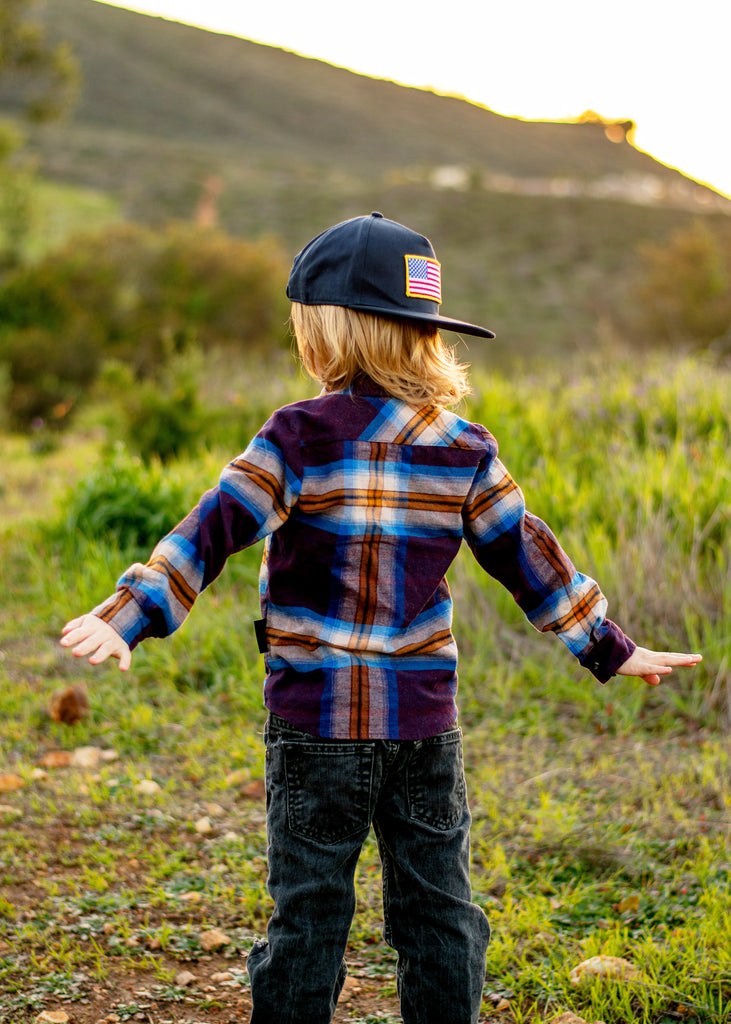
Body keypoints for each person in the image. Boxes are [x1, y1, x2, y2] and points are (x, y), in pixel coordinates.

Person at [60, 212, 701, 1024]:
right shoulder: (465, 447)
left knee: (309, 915)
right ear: (423, 334)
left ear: (327, 332)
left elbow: (212, 528)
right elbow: (530, 557)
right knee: (439, 908)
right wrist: (610, 648)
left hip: (316, 724)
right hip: (422, 728)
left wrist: (133, 613)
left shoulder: (297, 436)